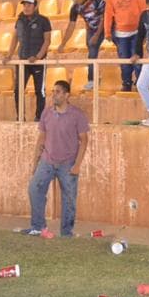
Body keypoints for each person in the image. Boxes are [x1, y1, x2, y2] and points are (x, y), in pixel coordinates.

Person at [24, 81, 89, 237]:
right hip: (47, 161)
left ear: (67, 95)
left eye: (58, 91)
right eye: (53, 91)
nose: (54, 94)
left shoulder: (78, 115)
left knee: (69, 198)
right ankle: (38, 227)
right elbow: (41, 138)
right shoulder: (46, 113)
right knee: (34, 189)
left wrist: (77, 165)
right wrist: (35, 162)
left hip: (68, 163)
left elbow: (84, 140)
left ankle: (66, 232)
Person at [5, 0, 52, 121]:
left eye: (29, 5)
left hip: (38, 62)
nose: (26, 7)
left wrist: (38, 57)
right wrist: (9, 54)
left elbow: (47, 41)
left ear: (35, 6)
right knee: (18, 90)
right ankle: (20, 117)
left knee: (40, 91)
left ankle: (39, 118)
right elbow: (15, 38)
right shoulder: (19, 20)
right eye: (24, 5)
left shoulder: (44, 20)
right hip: (23, 61)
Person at [58, 0, 105, 88]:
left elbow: (104, 17)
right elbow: (71, 26)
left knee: (122, 47)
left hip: (108, 25)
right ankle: (92, 80)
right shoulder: (75, 7)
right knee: (91, 52)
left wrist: (96, 35)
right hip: (92, 28)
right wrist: (63, 43)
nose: (74, 0)